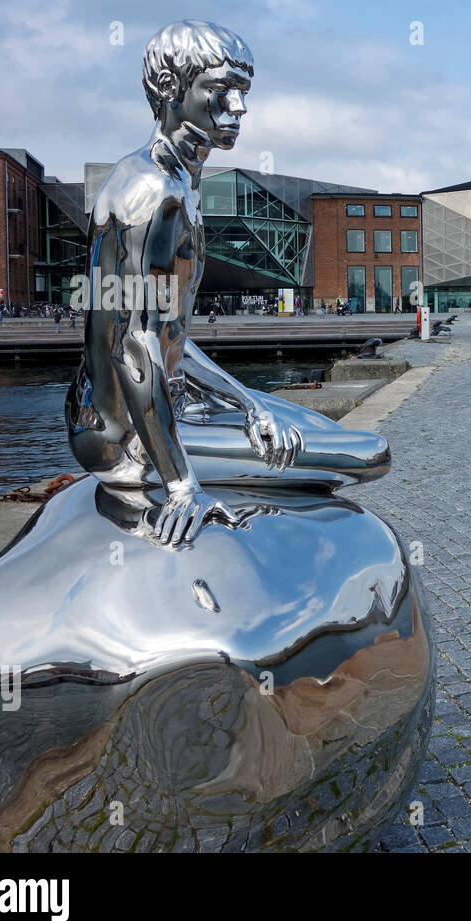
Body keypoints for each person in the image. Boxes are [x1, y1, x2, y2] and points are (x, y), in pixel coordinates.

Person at [64, 19, 388, 546]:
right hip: (119, 438)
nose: (239, 109)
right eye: (221, 91)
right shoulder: (154, 193)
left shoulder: (174, 183)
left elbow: (167, 339)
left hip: (145, 405)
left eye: (243, 93)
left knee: (309, 424)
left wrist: (248, 403)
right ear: (171, 90)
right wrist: (181, 485)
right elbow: (134, 346)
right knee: (368, 453)